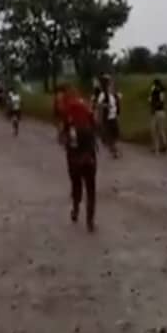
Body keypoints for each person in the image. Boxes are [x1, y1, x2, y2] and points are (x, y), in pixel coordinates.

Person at [61, 86, 98, 232]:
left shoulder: (68, 111)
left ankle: (76, 210)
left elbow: (64, 133)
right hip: (89, 155)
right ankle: (90, 221)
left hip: (74, 157)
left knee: (76, 184)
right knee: (91, 188)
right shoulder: (87, 109)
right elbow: (96, 126)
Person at [97, 76, 121, 158]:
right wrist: (106, 105)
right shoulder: (103, 94)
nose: (112, 86)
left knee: (116, 134)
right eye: (110, 85)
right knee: (109, 135)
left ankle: (112, 147)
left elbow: (117, 103)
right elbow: (99, 105)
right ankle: (114, 150)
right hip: (107, 118)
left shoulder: (113, 94)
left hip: (114, 116)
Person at [150, 78, 167, 154]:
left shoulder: (156, 91)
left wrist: (153, 108)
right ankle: (164, 146)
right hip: (162, 112)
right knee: (161, 130)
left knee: (154, 130)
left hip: (157, 112)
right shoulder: (161, 91)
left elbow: (158, 102)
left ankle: (156, 148)